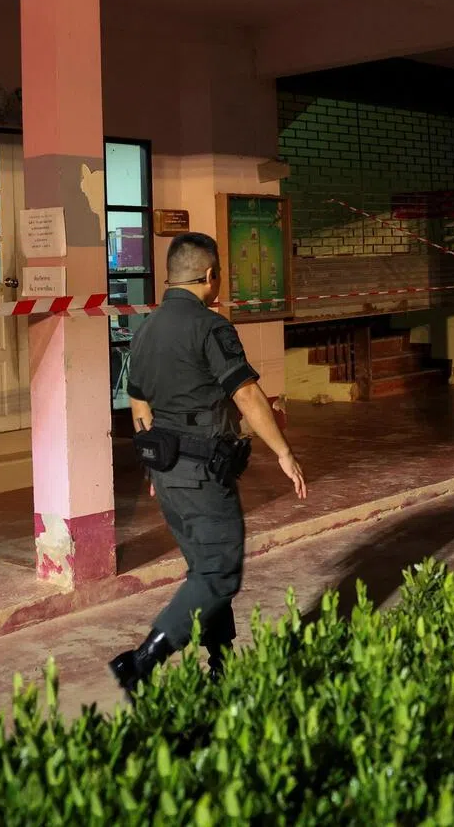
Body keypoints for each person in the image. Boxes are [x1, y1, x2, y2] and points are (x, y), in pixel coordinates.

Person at [108, 232, 307, 697]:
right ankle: (141, 661)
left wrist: (153, 465)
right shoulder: (210, 327)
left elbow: (139, 402)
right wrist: (283, 452)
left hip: (167, 471)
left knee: (203, 567)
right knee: (218, 571)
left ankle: (221, 663)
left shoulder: (145, 328)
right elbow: (246, 395)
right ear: (211, 275)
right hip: (200, 472)